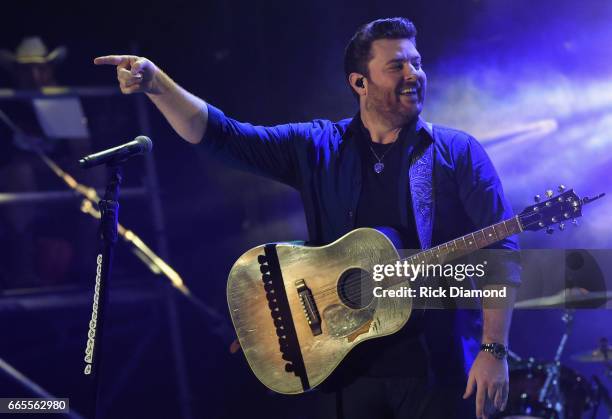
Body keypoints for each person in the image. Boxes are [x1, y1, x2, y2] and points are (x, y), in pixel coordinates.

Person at [95, 17, 520, 419]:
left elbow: (500, 248)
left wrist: (494, 349)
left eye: (417, 62)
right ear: (359, 82)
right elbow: (223, 137)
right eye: (397, 65)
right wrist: (156, 84)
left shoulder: (458, 152)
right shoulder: (319, 146)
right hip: (340, 369)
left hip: (436, 371)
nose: (413, 73)